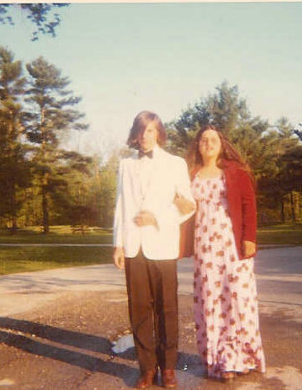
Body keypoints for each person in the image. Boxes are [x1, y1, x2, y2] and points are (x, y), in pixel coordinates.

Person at [113, 111, 196, 389]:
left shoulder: (175, 164)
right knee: (139, 310)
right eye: (141, 131)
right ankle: (147, 369)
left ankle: (169, 368)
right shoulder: (125, 165)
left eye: (150, 131)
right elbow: (120, 205)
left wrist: (157, 217)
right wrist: (118, 243)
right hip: (134, 247)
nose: (145, 136)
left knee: (167, 309)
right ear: (135, 134)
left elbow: (188, 204)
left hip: (162, 245)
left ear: (159, 133)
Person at [179, 125, 266, 382]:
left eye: (213, 138)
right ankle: (220, 359)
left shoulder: (235, 172)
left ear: (222, 143)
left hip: (232, 245)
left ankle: (244, 356)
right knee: (212, 300)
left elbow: (249, 205)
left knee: (238, 299)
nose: (208, 142)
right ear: (197, 146)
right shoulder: (191, 174)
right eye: (203, 139)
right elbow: (183, 207)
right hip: (204, 250)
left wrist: (249, 238)